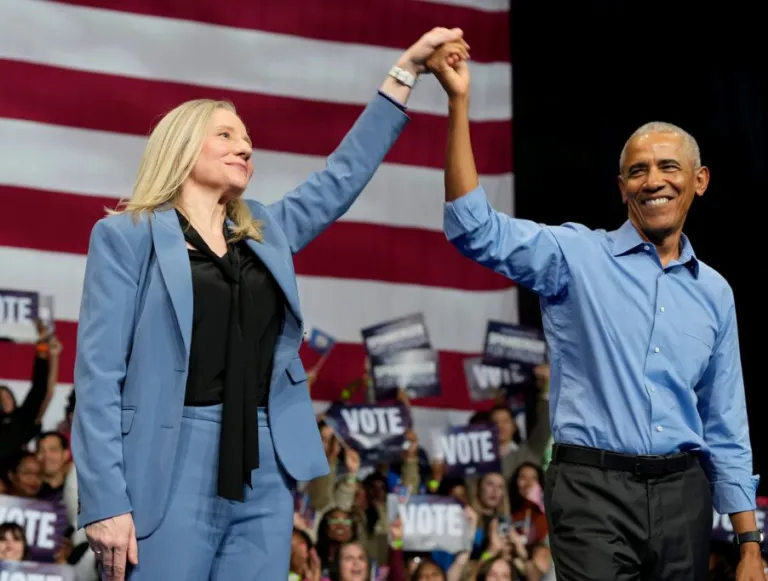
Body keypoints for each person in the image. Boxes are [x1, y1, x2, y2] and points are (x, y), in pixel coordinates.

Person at [71, 29, 470, 581]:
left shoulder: (267, 232)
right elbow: (97, 376)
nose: (245, 146)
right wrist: (105, 500)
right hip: (167, 463)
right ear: (183, 146)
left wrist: (404, 73)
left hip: (264, 464)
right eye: (227, 134)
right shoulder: (126, 237)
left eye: (248, 139)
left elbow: (342, 177)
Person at [426, 45, 764, 581]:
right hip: (592, 492)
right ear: (622, 187)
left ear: (698, 181)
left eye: (668, 167)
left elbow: (726, 422)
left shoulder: (715, 292)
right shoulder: (575, 256)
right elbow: (474, 229)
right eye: (637, 170)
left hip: (684, 496)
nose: (653, 180)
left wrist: (749, 545)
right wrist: (459, 103)